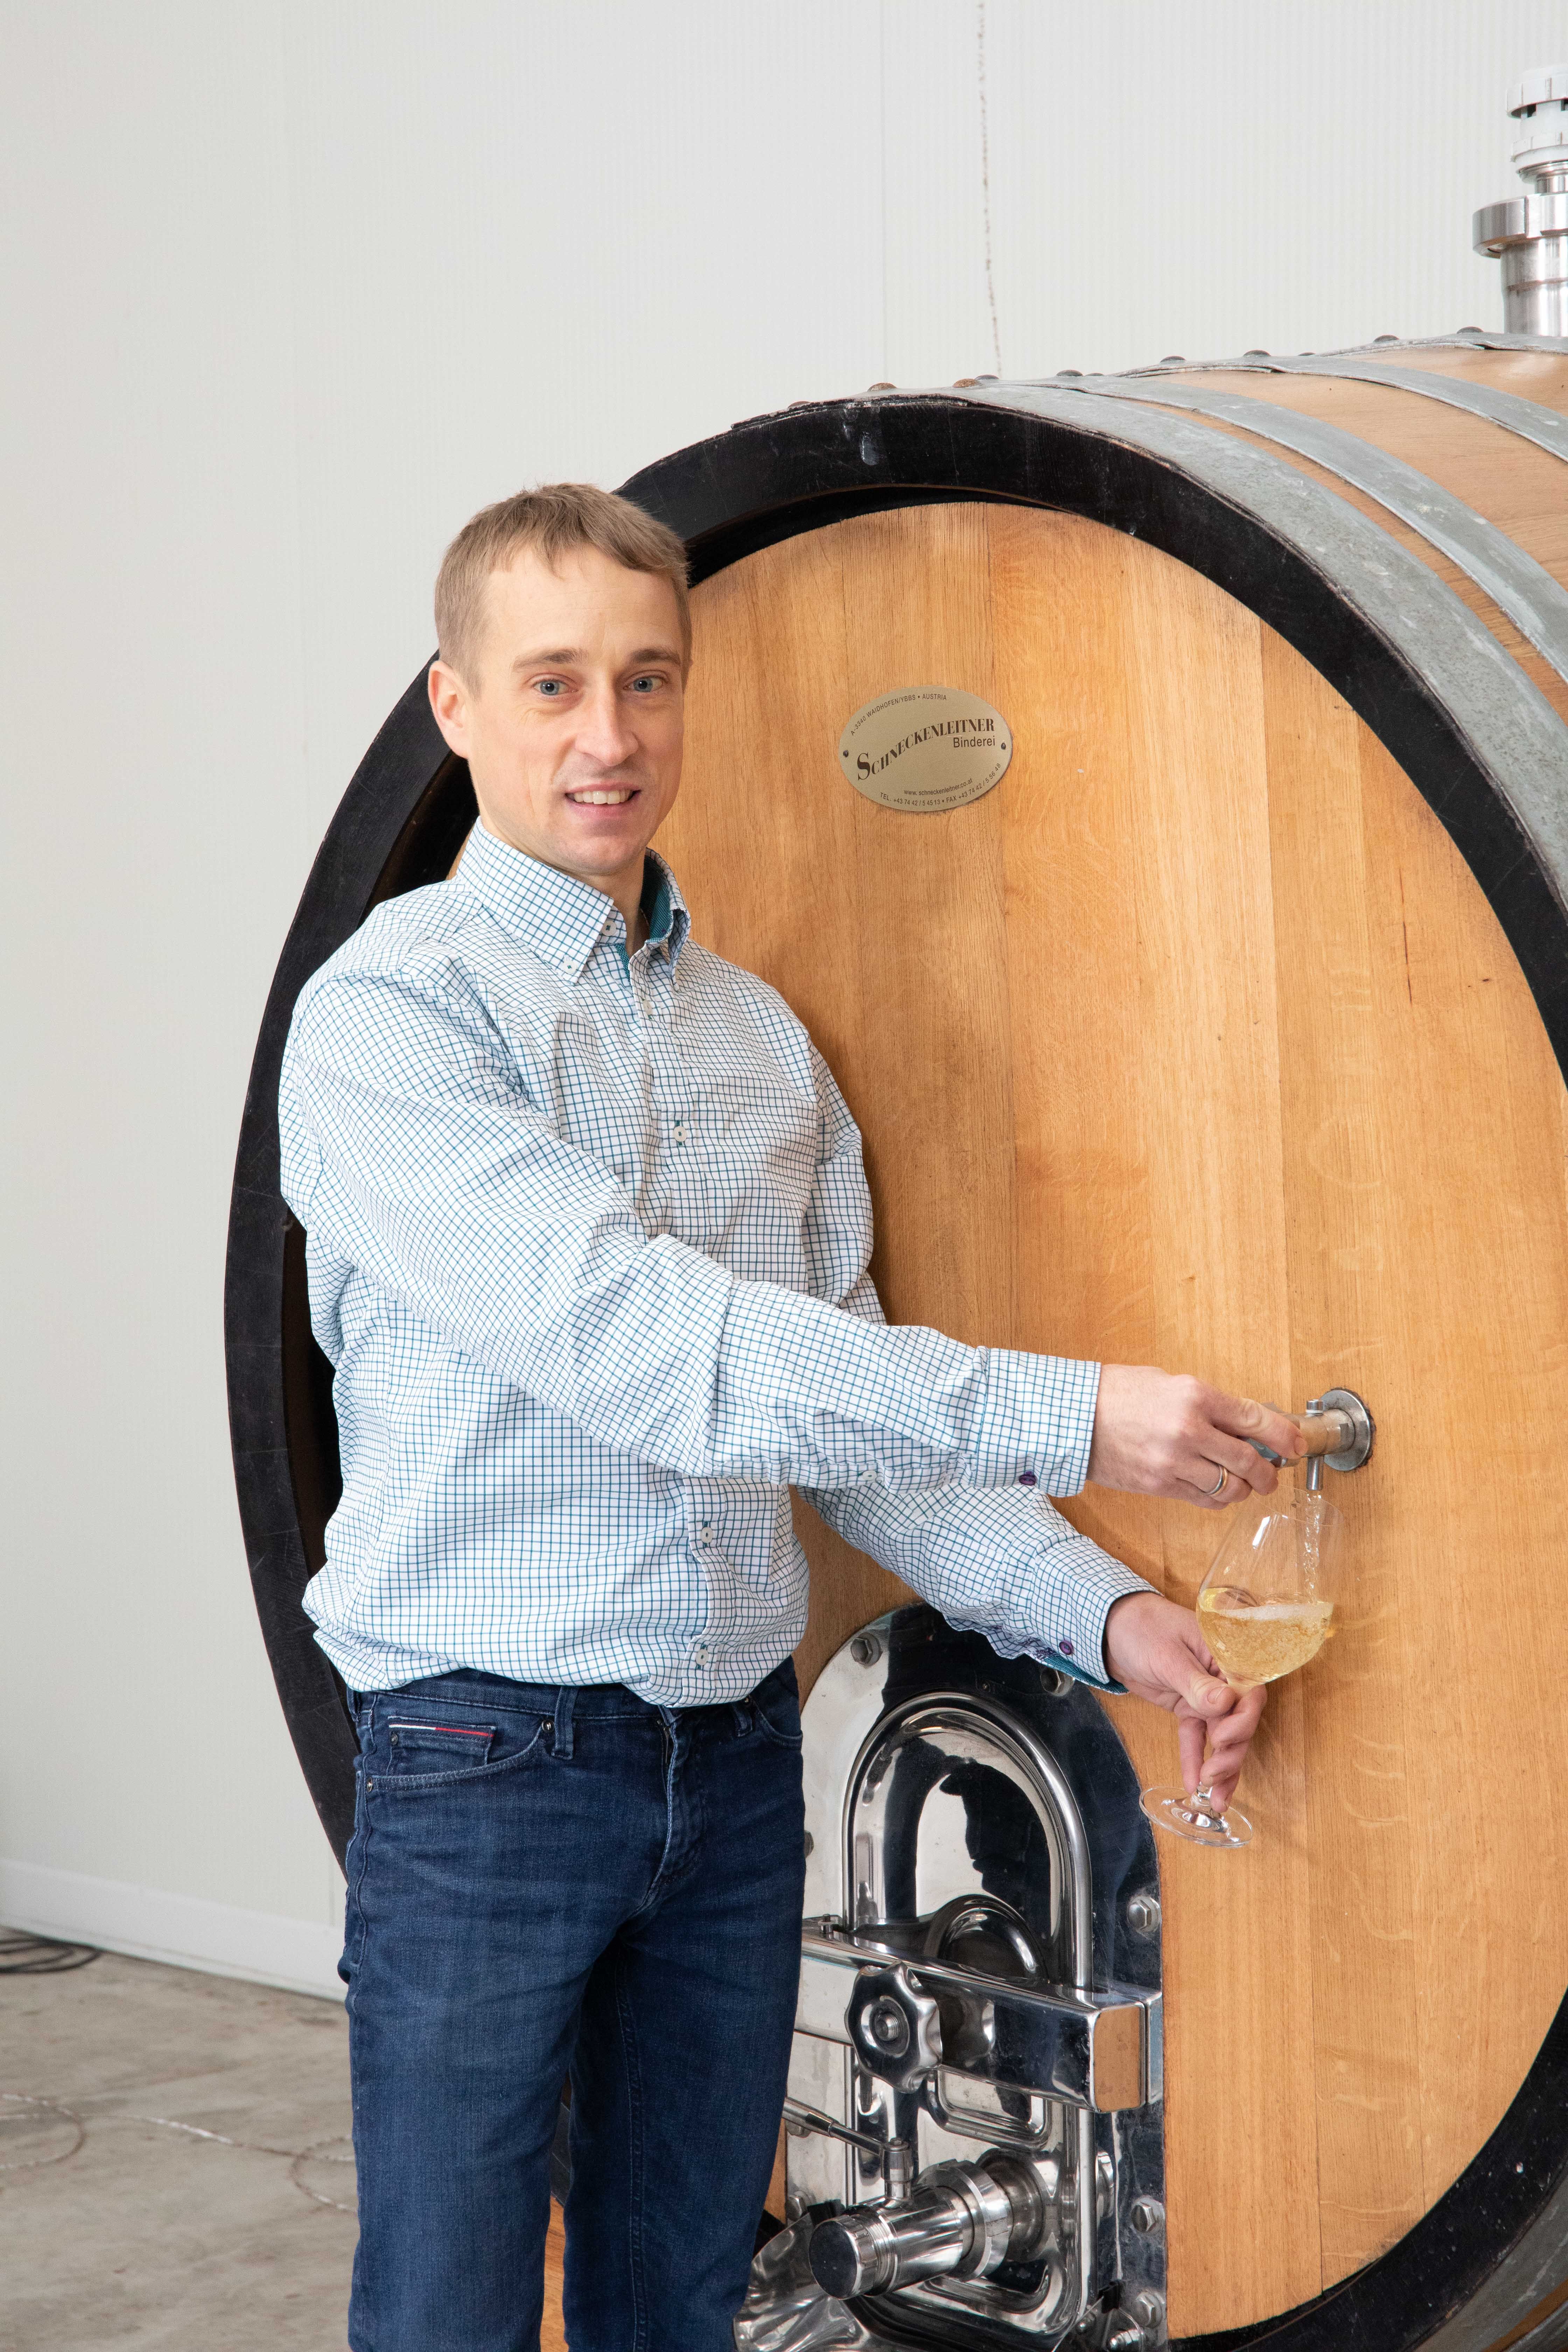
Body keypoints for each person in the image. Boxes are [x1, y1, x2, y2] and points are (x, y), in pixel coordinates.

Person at [278, 483, 1301, 2352]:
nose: (610, 738)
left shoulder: (763, 1044)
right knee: (450, 2304)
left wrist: (1114, 1620)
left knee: (689, 2294)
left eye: (649, 680)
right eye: (556, 683)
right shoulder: (391, 1021)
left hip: (733, 1776)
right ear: (456, 704)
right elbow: (658, 1351)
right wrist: (1082, 1411)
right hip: (486, 1764)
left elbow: (851, 1428)